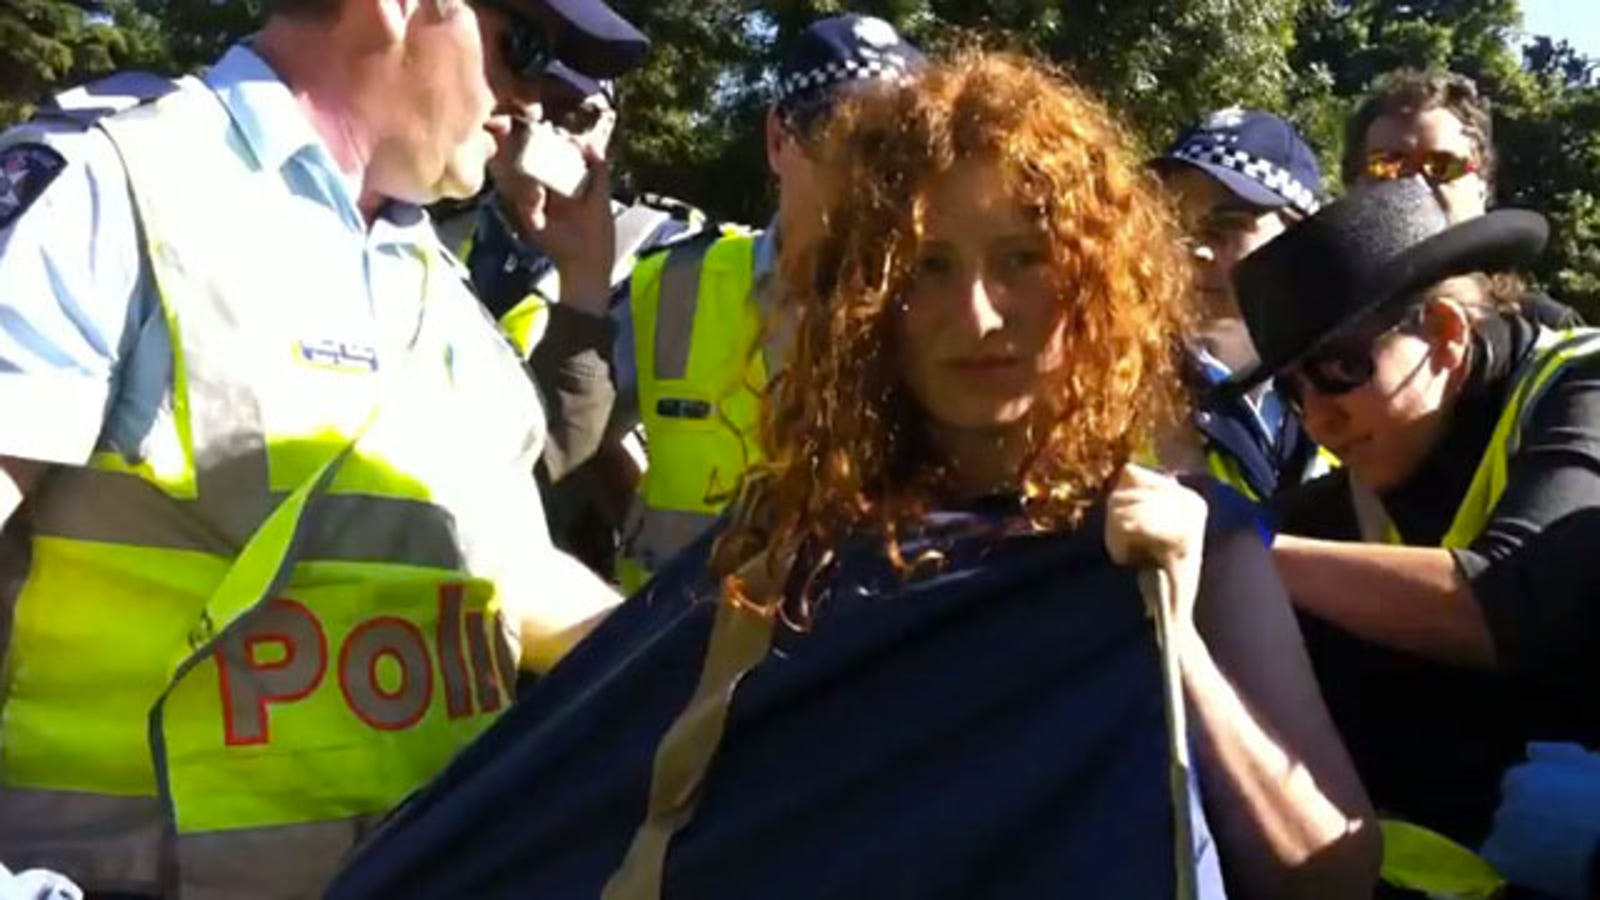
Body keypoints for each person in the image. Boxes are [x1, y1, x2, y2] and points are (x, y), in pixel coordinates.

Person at [328, 51, 1377, 900]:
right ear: (867, 301)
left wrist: (1177, 640)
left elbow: (1332, 871)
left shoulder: (1195, 545)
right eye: (927, 268)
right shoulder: (789, 541)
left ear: (1091, 282)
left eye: (1020, 260)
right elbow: (595, 778)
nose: (977, 315)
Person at [0, 0, 644, 893]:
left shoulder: (433, 282)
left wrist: (725, 671)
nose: (532, 99)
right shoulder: (121, 187)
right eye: (523, 47)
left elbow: (513, 577)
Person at [1218, 177, 1600, 881]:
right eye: (1292, 391)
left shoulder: (1583, 389)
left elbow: (1511, 611)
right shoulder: (1333, 502)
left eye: (1338, 368)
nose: (1318, 418)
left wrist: (1234, 546)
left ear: (1447, 334)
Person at [606, 14, 925, 592]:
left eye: (899, 146)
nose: (876, 173)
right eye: (848, 138)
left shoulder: (935, 312)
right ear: (780, 139)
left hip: (841, 664)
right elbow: (564, 444)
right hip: (668, 663)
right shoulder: (671, 288)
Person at [438, 60, 720, 577]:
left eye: (576, 114)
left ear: (607, 130)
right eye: (531, 104)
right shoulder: (425, 243)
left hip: (605, 594)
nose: (545, 129)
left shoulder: (677, 257)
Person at [1152, 107, 1329, 501]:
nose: (1193, 250)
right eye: (1173, 225)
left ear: (1300, 236)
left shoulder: (1350, 383)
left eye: (1223, 228)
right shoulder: (1115, 386)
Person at [1345, 67, 1585, 327]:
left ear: (1482, 183)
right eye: (1388, 165)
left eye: (1442, 165)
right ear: (1354, 182)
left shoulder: (1544, 331)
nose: (1415, 185)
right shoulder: (1317, 325)